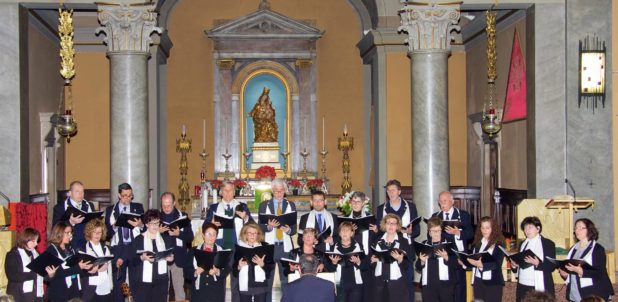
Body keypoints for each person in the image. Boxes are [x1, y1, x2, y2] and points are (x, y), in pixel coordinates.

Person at [374, 180, 419, 302]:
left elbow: (417, 230)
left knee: (407, 282)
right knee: (384, 285)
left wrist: (410, 232)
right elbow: (379, 232)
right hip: (385, 247)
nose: (391, 192)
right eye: (388, 190)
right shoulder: (380, 209)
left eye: (394, 190)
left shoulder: (410, 207)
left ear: (399, 191)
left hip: (405, 249)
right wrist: (376, 230)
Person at [104, 183, 145, 302]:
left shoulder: (138, 207)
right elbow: (107, 234)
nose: (127, 198)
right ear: (118, 195)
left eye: (130, 196)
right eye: (124, 196)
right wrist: (115, 225)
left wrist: (140, 224)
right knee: (119, 283)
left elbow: (145, 228)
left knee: (136, 280)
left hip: (134, 248)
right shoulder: (110, 210)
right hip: (119, 249)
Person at [258, 179, 296, 301]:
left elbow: (294, 228)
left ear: (285, 191)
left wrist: (288, 230)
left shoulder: (291, 205)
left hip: (285, 247)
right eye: (276, 191)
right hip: (270, 247)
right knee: (268, 279)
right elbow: (260, 226)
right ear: (272, 191)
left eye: (281, 191)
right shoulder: (264, 205)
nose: (279, 194)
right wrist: (269, 227)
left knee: (285, 280)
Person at [431, 190, 473, 302]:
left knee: (459, 286)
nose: (442, 204)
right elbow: (429, 235)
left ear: (452, 201)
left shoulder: (463, 215)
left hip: (458, 256)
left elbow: (470, 234)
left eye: (445, 201)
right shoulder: (436, 216)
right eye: (440, 202)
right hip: (442, 255)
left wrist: (458, 233)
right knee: (444, 287)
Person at [559, 218, 613, 302]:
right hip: (575, 292)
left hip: (593, 293)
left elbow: (599, 272)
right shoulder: (573, 249)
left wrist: (581, 271)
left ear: (590, 230)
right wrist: (565, 274)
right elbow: (572, 272)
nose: (577, 230)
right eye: (576, 228)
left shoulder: (597, 249)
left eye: (581, 228)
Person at [127, 209, 174, 302]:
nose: (155, 226)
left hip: (161, 281)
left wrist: (171, 258)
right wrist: (142, 257)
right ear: (147, 224)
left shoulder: (165, 239)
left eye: (157, 223)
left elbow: (170, 254)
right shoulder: (138, 240)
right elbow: (131, 261)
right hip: (143, 283)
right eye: (152, 223)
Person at [511, 216, 556, 301]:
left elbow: (552, 266)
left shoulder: (548, 244)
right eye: (525, 228)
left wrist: (537, 263)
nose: (527, 231)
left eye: (530, 227)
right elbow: (520, 265)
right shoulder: (522, 244)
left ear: (538, 228)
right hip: (522, 283)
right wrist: (514, 265)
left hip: (539, 284)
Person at [46, 221, 93, 302]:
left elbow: (75, 267)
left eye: (71, 232)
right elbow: (58, 273)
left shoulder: (70, 247)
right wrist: (78, 267)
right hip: (60, 291)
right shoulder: (51, 250)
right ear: (59, 233)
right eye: (67, 233)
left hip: (74, 288)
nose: (70, 235)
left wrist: (84, 267)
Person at [159, 192, 194, 301]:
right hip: (162, 257)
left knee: (179, 289)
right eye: (164, 205)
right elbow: (146, 236)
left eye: (169, 205)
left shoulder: (182, 217)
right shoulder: (157, 218)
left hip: (178, 257)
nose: (166, 208)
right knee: (162, 290)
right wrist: (157, 232)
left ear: (174, 203)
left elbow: (190, 237)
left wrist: (179, 234)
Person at [415, 217, 457, 302]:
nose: (436, 233)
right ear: (429, 232)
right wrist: (422, 260)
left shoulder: (449, 244)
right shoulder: (424, 244)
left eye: (438, 230)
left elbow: (456, 264)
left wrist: (446, 257)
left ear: (441, 230)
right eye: (433, 231)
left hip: (446, 285)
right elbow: (418, 267)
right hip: (428, 285)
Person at [185, 223, 229, 302]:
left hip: (216, 293)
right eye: (209, 234)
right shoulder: (193, 251)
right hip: (199, 293)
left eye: (214, 235)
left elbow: (227, 269)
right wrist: (195, 272)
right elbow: (186, 272)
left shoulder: (222, 251)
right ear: (203, 235)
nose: (211, 237)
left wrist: (217, 271)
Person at [324, 221, 368, 302]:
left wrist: (358, 262)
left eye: (347, 230)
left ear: (352, 233)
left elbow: (365, 267)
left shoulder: (359, 246)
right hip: (339, 283)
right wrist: (334, 263)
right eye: (342, 230)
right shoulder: (334, 247)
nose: (344, 232)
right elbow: (329, 269)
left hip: (356, 283)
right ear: (339, 233)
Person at [371, 213, 409, 302]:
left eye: (393, 223)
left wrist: (400, 260)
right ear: (384, 225)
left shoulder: (403, 242)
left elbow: (407, 265)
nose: (391, 225)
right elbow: (372, 265)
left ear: (397, 226)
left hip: (396, 282)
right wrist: (373, 260)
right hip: (379, 281)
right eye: (388, 223)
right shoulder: (377, 240)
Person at [466, 216, 505, 302]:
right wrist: (465, 263)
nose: (484, 230)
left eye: (487, 228)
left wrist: (482, 265)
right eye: (482, 228)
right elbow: (474, 261)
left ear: (493, 229)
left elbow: (497, 263)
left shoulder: (499, 243)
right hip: (478, 281)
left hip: (493, 283)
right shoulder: (478, 243)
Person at [205, 181, 253, 250]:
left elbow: (253, 225)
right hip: (219, 245)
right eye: (225, 190)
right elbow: (205, 226)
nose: (228, 192)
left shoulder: (242, 207)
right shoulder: (214, 208)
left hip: (238, 245)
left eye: (230, 190)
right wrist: (211, 224)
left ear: (234, 192)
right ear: (221, 192)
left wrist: (245, 217)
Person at [5, 228, 49, 301]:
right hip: (19, 295)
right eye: (33, 241)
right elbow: (13, 276)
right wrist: (35, 274)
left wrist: (50, 274)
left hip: (37, 295)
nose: (36, 244)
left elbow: (45, 276)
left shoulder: (37, 254)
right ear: (25, 239)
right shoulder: (13, 254)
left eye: (37, 241)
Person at [233, 223, 273, 302]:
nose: (252, 235)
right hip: (245, 285)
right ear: (245, 234)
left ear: (258, 235)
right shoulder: (239, 248)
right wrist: (239, 266)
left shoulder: (265, 247)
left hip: (260, 286)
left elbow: (270, 269)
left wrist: (262, 264)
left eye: (255, 233)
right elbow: (234, 272)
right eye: (250, 233)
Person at [52, 180, 97, 250]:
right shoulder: (60, 208)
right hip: (70, 245)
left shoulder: (89, 206)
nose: (80, 194)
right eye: (77, 191)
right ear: (70, 193)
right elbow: (55, 228)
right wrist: (70, 222)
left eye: (82, 191)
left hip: (86, 244)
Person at [80, 219, 113, 301]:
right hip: (90, 287)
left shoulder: (106, 248)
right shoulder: (83, 249)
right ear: (89, 232)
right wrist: (97, 269)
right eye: (95, 232)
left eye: (100, 232)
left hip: (105, 285)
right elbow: (81, 271)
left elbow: (110, 269)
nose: (97, 235)